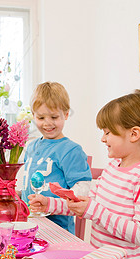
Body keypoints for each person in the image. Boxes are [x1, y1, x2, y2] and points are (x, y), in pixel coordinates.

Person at [28, 89, 140, 259]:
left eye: (108, 132)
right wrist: (51, 204)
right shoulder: (114, 166)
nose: (103, 138)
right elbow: (87, 203)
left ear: (134, 134)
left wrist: (95, 211)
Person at [21, 82, 92, 234]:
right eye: (41, 117)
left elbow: (82, 191)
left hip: (59, 231)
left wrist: (52, 204)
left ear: (66, 114)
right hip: (30, 226)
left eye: (54, 117)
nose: (47, 123)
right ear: (33, 116)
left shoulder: (71, 150)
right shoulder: (31, 147)